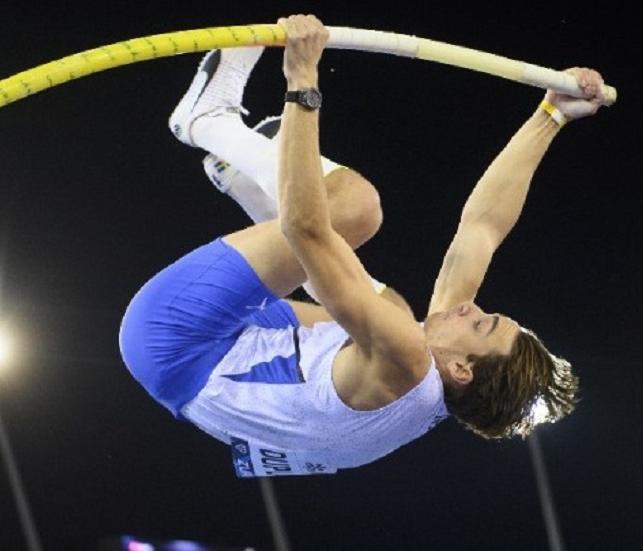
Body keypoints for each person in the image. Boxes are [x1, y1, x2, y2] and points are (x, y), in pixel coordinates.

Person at [119, 14, 606, 478]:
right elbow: (483, 227)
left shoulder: (408, 362)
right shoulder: (438, 373)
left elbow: (305, 229)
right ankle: (256, 176)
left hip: (175, 345)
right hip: (245, 368)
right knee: (385, 307)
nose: (472, 308)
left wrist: (302, 76)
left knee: (354, 209)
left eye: (481, 324)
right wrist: (551, 116)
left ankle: (208, 121)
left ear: (461, 369)